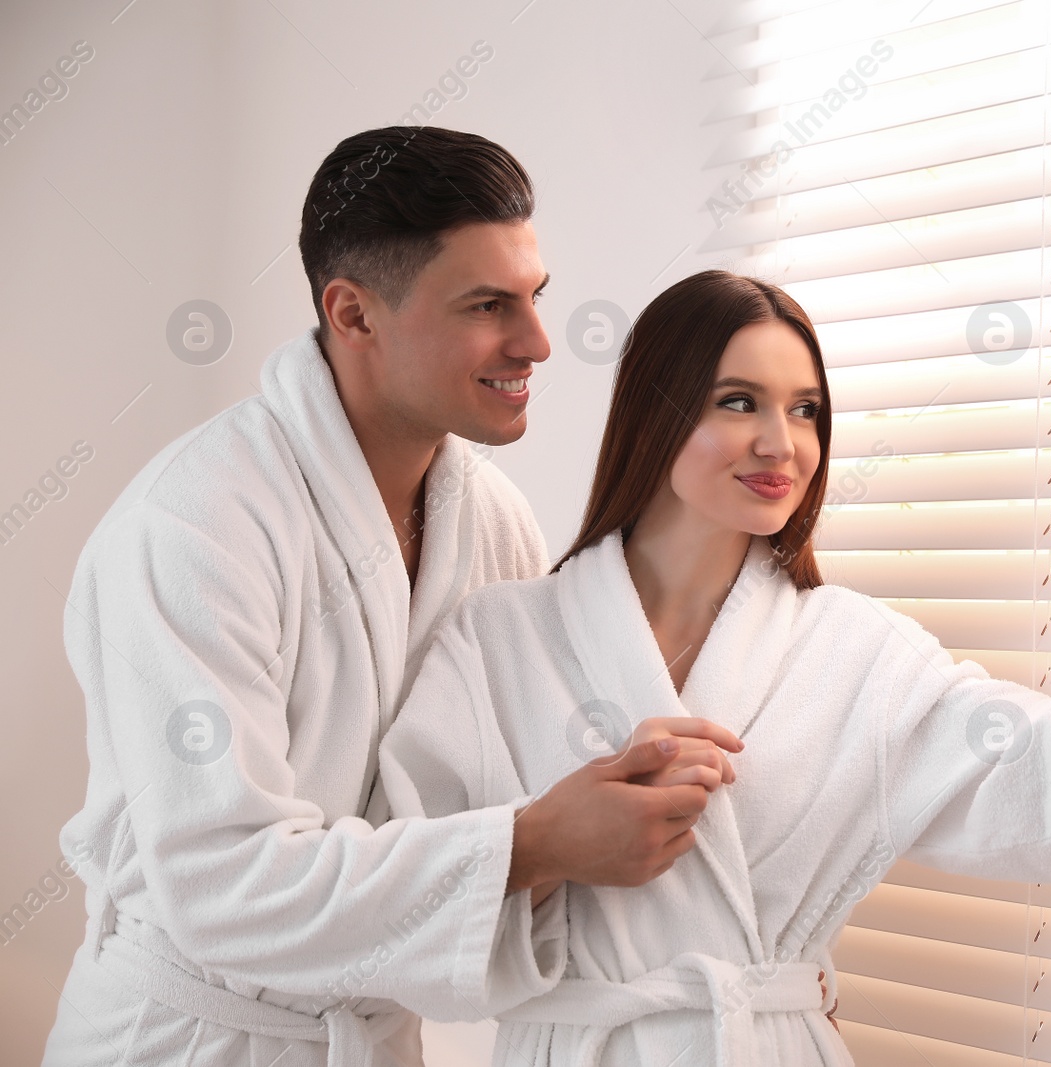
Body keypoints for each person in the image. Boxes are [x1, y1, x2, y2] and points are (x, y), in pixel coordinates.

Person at [377, 268, 1051, 1065]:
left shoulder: (856, 655)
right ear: (657, 409)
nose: (781, 441)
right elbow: (396, 899)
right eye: (739, 400)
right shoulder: (497, 640)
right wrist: (552, 836)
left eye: (807, 409)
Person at [41, 127, 741, 1067]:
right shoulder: (194, 526)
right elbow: (221, 881)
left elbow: (506, 776)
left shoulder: (492, 521)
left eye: (536, 298)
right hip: (186, 1041)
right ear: (355, 314)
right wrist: (533, 844)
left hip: (375, 1040)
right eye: (488, 305)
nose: (537, 340)